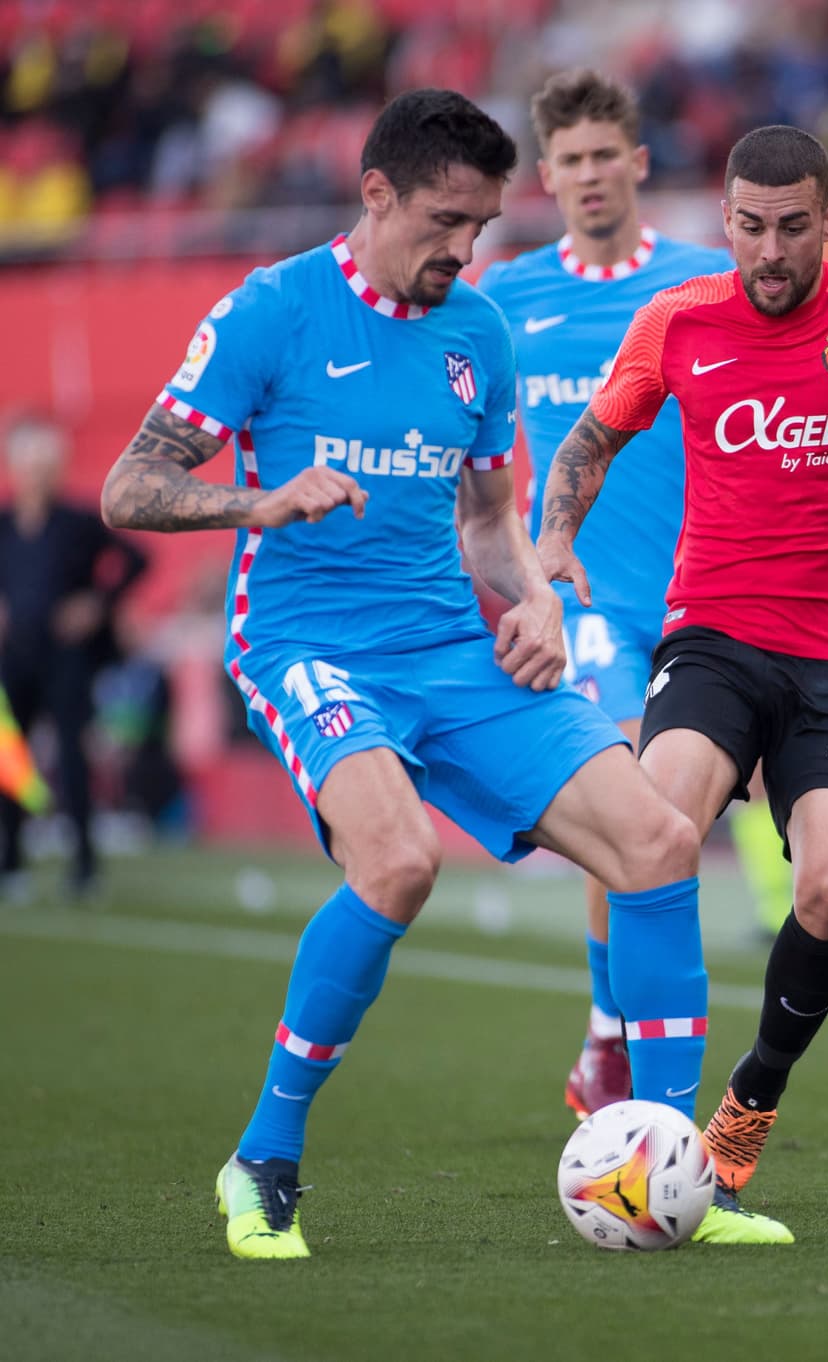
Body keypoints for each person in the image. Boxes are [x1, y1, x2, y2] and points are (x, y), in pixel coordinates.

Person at [100, 88, 727, 1262]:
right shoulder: (270, 312)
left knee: (657, 840)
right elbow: (127, 485)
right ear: (374, 191)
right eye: (445, 221)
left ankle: (676, 1165)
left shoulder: (475, 330)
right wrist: (255, 498)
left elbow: (489, 519)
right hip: (311, 648)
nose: (462, 249)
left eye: (482, 227)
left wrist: (535, 599)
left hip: (452, 645)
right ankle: (263, 1160)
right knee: (397, 861)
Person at [537, 124, 828, 1237]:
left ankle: (747, 1103)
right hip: (712, 640)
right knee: (651, 829)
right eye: (747, 228)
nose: (766, 251)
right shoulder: (677, 320)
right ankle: (645, 1099)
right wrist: (557, 538)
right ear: (724, 222)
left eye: (790, 229)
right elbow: (585, 444)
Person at [477, 69, 738, 1123]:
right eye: (568, 161)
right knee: (623, 792)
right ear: (546, 176)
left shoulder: (704, 282)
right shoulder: (503, 298)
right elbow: (475, 457)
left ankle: (609, 1032)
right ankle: (612, 1035)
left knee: (672, 825)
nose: (587, 176)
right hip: (582, 600)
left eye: (603, 157)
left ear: (635, 163)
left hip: (700, 597)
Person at [0, 412, 147, 899]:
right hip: (14, 656)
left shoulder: (79, 522)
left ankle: (83, 863)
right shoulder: (5, 524)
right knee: (11, 760)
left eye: (49, 463)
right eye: (31, 462)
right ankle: (11, 858)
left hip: (65, 657)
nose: (40, 473)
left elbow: (136, 559)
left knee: (71, 753)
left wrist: (96, 606)